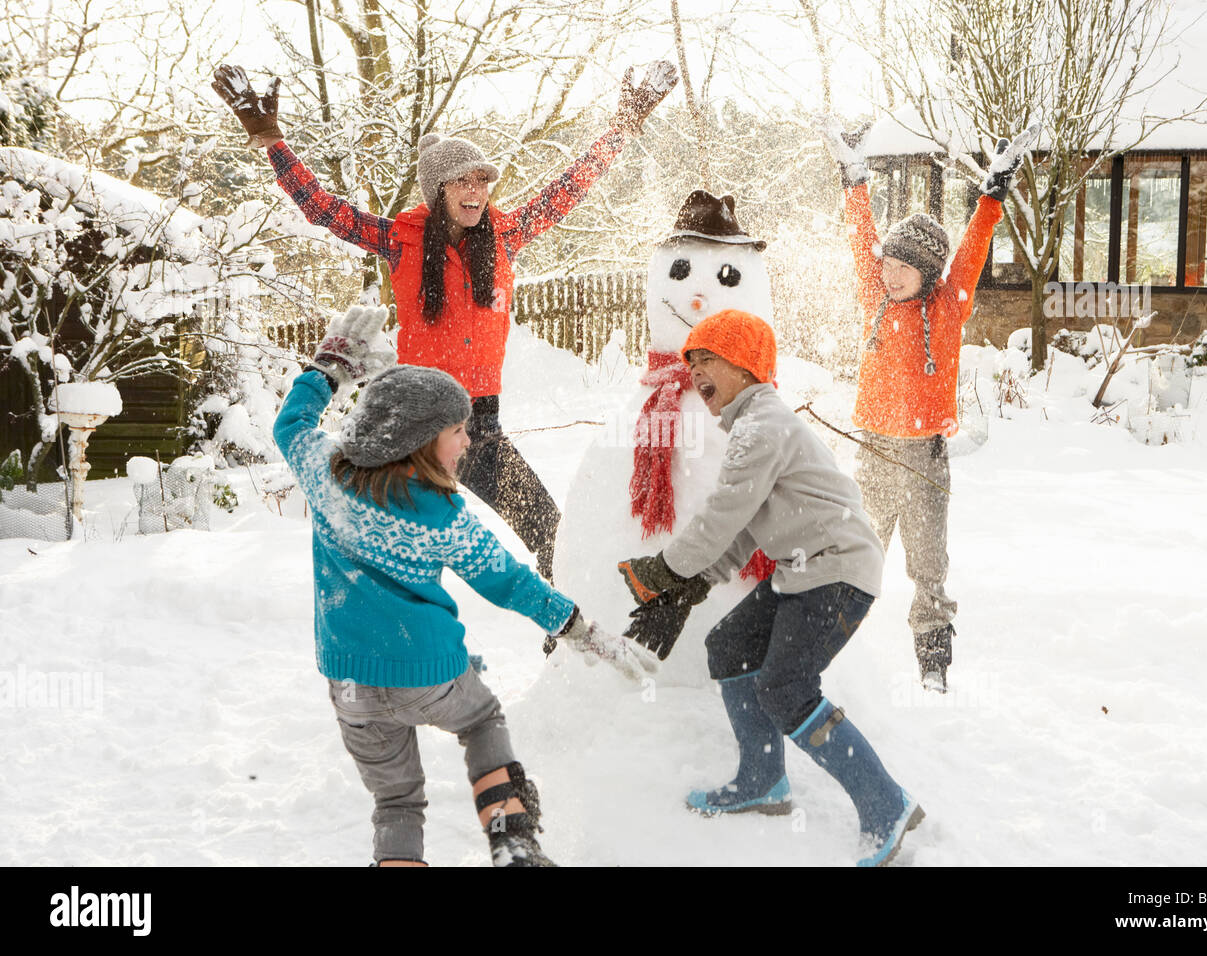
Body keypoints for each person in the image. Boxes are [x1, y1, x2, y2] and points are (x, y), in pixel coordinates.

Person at [214, 61, 678, 581]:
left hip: (478, 420)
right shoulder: (401, 239)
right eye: (463, 179)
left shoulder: (505, 235)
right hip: (413, 417)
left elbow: (568, 190)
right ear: (438, 190)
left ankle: (568, 625)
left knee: (551, 531)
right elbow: (324, 209)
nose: (477, 189)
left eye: (482, 179)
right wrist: (272, 141)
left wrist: (623, 127)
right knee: (395, 546)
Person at [273, 305, 648, 867]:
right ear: (420, 440)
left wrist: (330, 368)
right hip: (432, 674)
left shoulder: (325, 471)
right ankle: (514, 843)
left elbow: (292, 425)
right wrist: (578, 628)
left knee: (397, 801)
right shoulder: (443, 514)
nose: (468, 442)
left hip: (349, 682)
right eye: (457, 431)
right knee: (481, 721)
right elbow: (509, 582)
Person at [615, 309, 923, 867]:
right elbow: (741, 529)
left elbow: (720, 516)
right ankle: (763, 780)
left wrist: (663, 572)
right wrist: (690, 591)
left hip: (836, 571)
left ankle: (887, 805)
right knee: (729, 646)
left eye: (708, 358)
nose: (695, 372)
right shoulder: (753, 426)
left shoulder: (765, 426)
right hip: (802, 570)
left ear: (746, 366)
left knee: (787, 688)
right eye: (690, 362)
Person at [820, 117, 1032, 692]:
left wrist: (994, 190)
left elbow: (972, 248)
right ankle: (832, 651)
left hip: (926, 455)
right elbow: (860, 235)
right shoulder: (875, 295)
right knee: (857, 554)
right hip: (872, 451)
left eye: (901, 267)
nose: (887, 273)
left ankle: (933, 656)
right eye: (886, 264)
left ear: (928, 275)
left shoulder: (947, 308)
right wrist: (851, 174)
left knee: (928, 562)